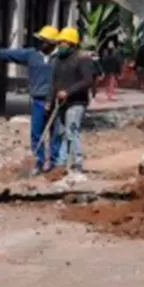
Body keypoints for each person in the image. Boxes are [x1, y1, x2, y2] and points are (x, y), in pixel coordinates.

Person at [0, 25, 59, 176]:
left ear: (52, 43)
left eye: (44, 41)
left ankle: (54, 162)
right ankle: (38, 161)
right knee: (36, 132)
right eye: (40, 40)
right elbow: (11, 54)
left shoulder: (59, 58)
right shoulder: (32, 55)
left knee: (55, 132)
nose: (41, 43)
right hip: (38, 99)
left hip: (56, 100)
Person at [49, 26, 96, 181]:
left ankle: (77, 164)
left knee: (71, 131)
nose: (60, 45)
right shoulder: (58, 60)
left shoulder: (83, 59)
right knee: (62, 133)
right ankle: (61, 163)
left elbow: (87, 80)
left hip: (76, 102)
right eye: (60, 42)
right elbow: (54, 82)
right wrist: (50, 100)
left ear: (71, 43)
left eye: (63, 42)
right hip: (62, 102)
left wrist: (68, 92)